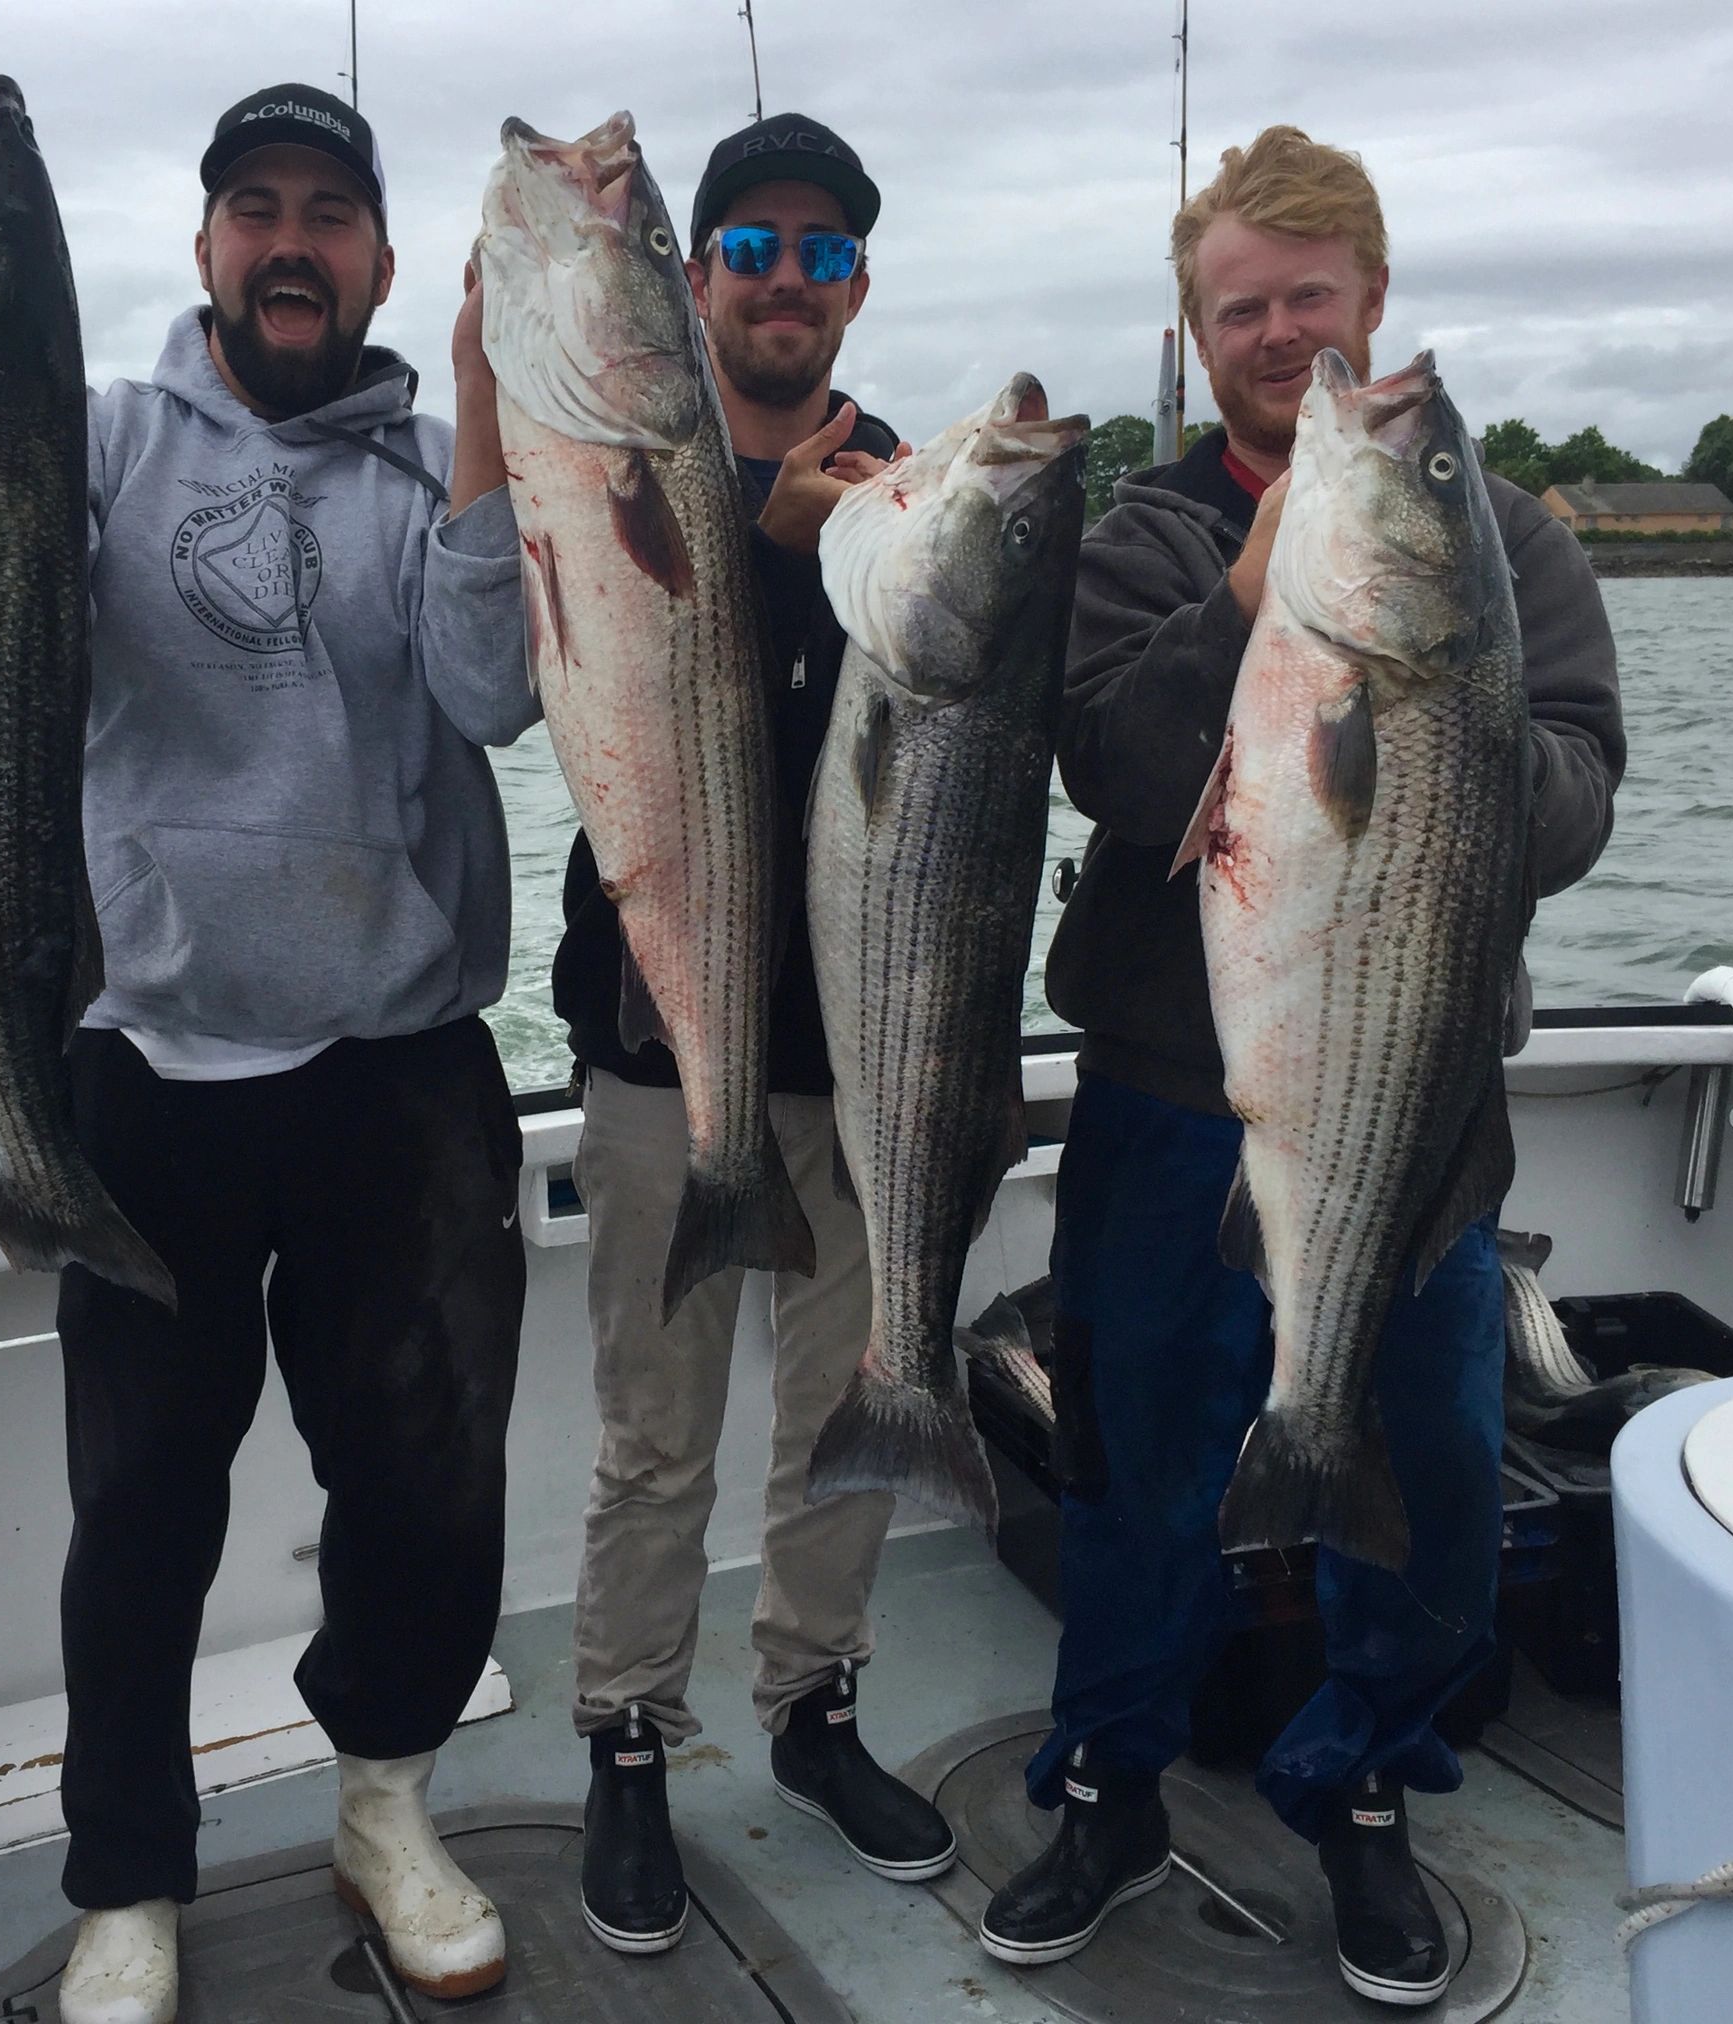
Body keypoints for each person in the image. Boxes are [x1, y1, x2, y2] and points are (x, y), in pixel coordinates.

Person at [978, 126, 1625, 2006]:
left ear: (1373, 301)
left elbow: (1579, 789)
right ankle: (1109, 1782)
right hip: (1175, 1094)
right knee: (1137, 1459)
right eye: (1240, 306)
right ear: (1200, 332)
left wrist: (1456, 723)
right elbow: (1102, 760)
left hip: (1420, 1088)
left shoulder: (1501, 540)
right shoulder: (1144, 540)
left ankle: (1360, 1786)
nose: (1279, 333)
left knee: (1417, 1452)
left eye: (1309, 299)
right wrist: (1250, 603)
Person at [50, 84, 536, 2024]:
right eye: (253, 206)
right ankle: (124, 1878)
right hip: (142, 1063)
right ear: (200, 249)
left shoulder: (435, 464)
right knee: (141, 1497)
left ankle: (383, 1795)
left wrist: (494, 411)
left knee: (426, 1482)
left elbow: (495, 694)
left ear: (383, 265)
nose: (288, 242)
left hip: (399, 1064)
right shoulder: (92, 449)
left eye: (328, 212)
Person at [555, 113, 958, 1956]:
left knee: (846, 1420)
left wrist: (825, 553)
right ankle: (629, 1734)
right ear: (695, 275)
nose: (783, 279)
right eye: (748, 245)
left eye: (820, 251)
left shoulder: (910, 498)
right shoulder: (633, 465)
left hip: (869, 1055)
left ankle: (813, 1710)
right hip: (660, 1047)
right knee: (655, 1436)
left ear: (857, 284)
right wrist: (754, 551)